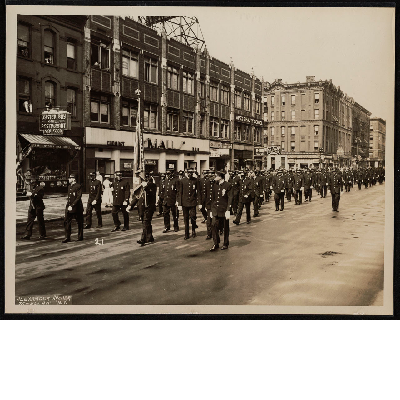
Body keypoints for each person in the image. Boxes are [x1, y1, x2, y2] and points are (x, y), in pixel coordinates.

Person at [209, 170, 233, 251]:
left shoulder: (228, 185)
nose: (215, 177)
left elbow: (230, 198)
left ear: (221, 177)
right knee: (213, 225)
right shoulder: (215, 185)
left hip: (224, 209)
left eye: (216, 176)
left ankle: (225, 243)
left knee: (225, 227)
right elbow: (213, 198)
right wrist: (212, 210)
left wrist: (228, 210)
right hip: (216, 209)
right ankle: (216, 243)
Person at [134, 173, 157, 246]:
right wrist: (130, 205)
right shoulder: (141, 187)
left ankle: (143, 239)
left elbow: (151, 193)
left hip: (149, 207)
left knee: (145, 222)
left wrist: (146, 186)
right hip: (142, 207)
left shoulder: (152, 186)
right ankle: (149, 237)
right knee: (146, 223)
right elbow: (137, 197)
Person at [177, 168, 200, 240]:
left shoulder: (195, 180)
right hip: (184, 202)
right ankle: (186, 233)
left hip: (193, 202)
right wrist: (179, 204)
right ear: (186, 173)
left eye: (191, 172)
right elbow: (180, 193)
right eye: (188, 172)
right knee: (186, 218)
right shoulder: (182, 181)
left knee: (193, 217)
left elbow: (198, 192)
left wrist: (199, 202)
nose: (190, 174)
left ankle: (193, 230)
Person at [62, 174, 83, 243]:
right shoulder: (69, 187)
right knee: (67, 221)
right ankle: (67, 237)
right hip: (69, 207)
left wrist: (72, 205)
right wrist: (68, 206)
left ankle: (80, 236)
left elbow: (78, 197)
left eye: (70, 178)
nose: (69, 179)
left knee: (79, 222)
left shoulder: (78, 186)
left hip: (77, 208)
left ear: (73, 179)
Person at [162, 168, 179, 233]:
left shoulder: (176, 180)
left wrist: (177, 201)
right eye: (167, 173)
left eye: (169, 173)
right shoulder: (165, 181)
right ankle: (167, 227)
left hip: (173, 200)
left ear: (172, 173)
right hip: (166, 200)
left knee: (174, 214)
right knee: (165, 214)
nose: (167, 175)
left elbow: (178, 191)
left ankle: (176, 226)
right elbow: (164, 190)